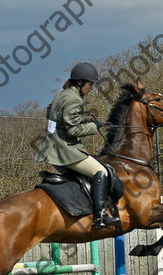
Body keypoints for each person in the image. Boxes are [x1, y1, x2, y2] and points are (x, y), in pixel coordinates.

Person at [35, 62, 117, 229]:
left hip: (53, 148)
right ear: (80, 82)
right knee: (100, 172)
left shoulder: (62, 94)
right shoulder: (73, 99)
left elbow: (52, 114)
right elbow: (73, 130)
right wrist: (94, 126)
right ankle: (99, 217)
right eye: (90, 84)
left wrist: (82, 121)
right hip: (64, 150)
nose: (92, 88)